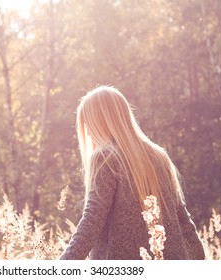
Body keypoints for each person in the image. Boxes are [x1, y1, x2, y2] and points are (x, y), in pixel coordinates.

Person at [59, 85, 205, 260]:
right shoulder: (159, 156)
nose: (88, 133)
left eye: (89, 124)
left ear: (101, 121)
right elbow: (184, 222)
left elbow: (92, 220)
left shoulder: (106, 158)